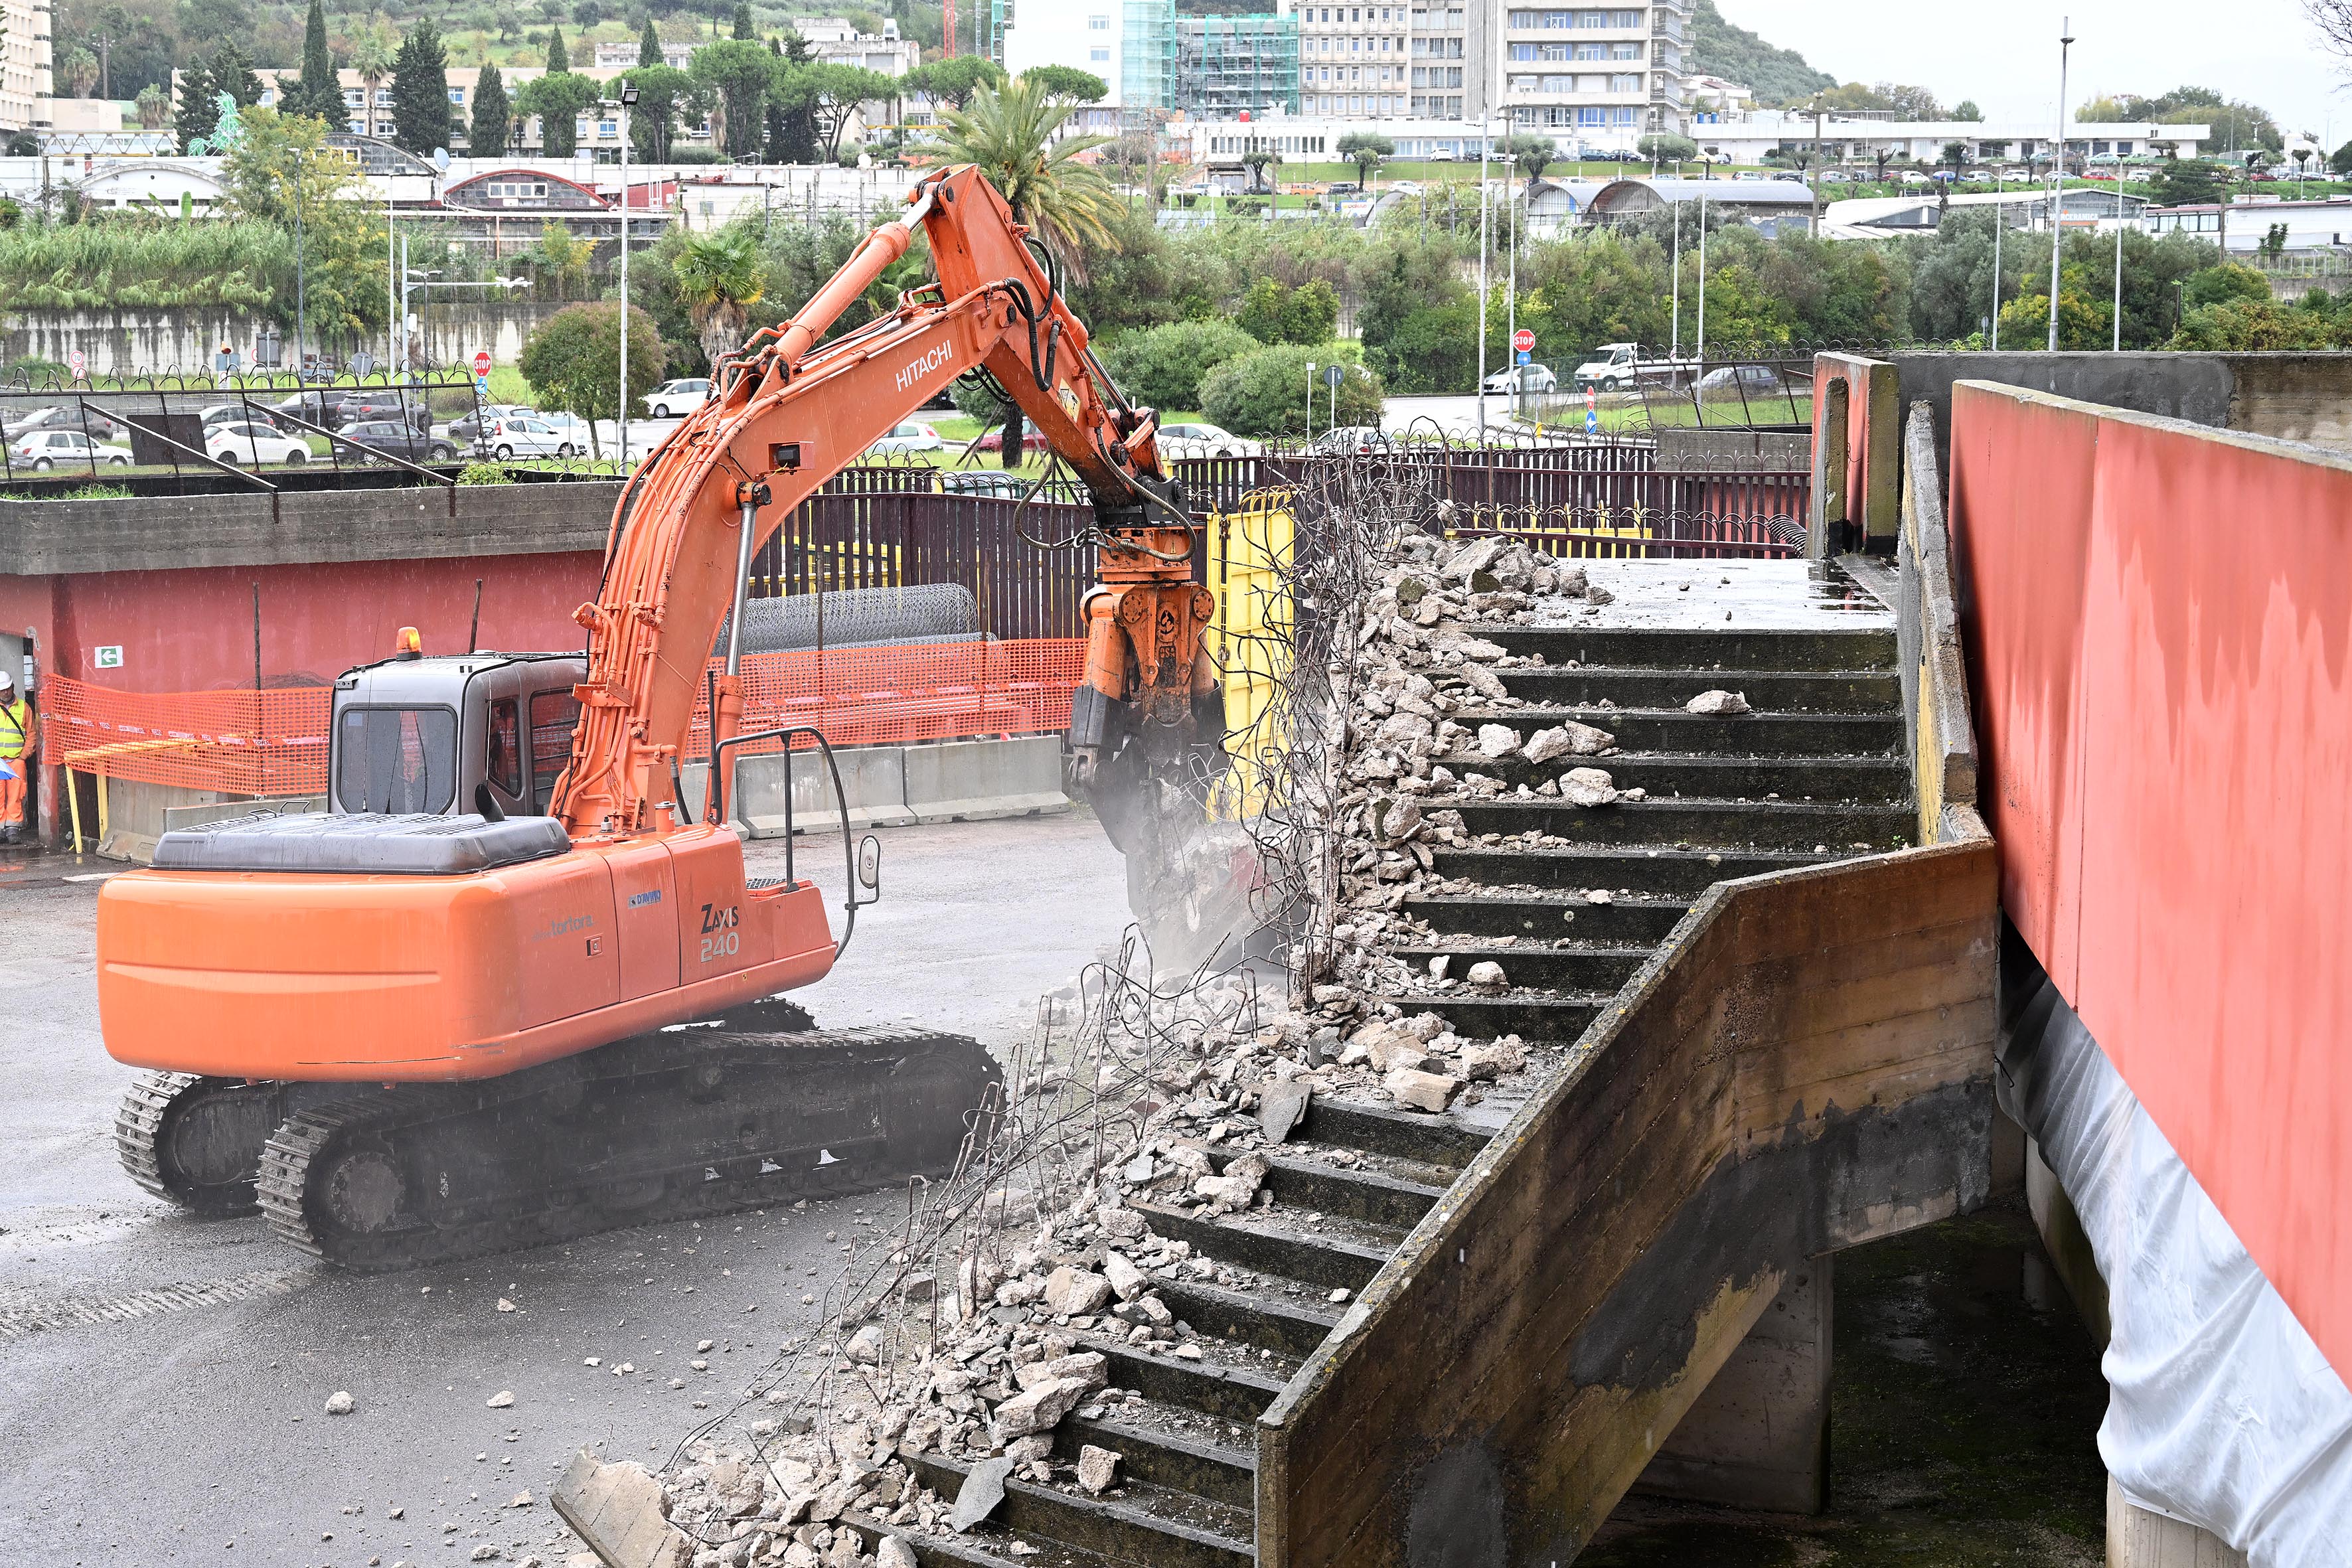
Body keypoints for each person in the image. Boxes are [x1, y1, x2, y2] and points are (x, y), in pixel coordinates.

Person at [0, 672, 34, 845]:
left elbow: (31, 735)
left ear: (13, 687)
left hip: (16, 760)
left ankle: (12, 828)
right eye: (2, 690)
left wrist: (22, 757)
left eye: (7, 689)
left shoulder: (24, 708)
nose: (5, 692)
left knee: (16, 795)